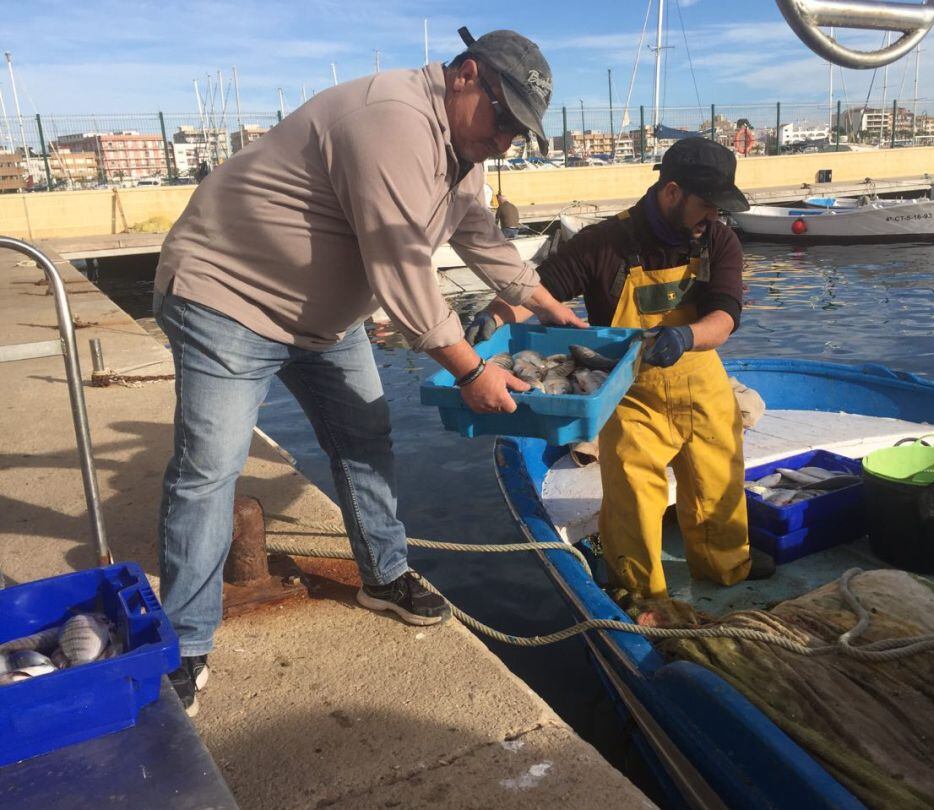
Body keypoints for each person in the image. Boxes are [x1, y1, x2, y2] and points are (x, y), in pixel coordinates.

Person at [153, 27, 585, 715]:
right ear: (466, 75)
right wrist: (472, 369)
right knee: (210, 468)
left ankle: (383, 576)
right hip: (226, 297)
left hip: (322, 320)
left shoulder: (460, 151)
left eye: (519, 133)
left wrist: (544, 301)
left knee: (365, 440)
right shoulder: (393, 121)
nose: (506, 140)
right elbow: (402, 268)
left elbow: (477, 234)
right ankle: (182, 644)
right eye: (503, 119)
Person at [468, 138, 774, 599]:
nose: (714, 216)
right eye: (706, 205)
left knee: (719, 482)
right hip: (630, 393)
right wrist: (493, 315)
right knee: (632, 495)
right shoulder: (603, 243)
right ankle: (641, 593)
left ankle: (727, 566)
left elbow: (725, 316)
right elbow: (535, 290)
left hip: (701, 380)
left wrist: (685, 336)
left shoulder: (719, 239)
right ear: (672, 192)